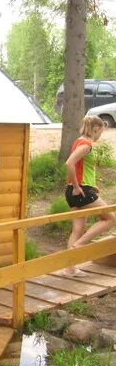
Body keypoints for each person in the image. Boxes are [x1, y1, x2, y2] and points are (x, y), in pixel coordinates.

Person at [62, 115, 116, 276]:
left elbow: (80, 168)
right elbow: (69, 163)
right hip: (80, 191)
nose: (100, 135)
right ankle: (79, 245)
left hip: (74, 190)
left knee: (77, 229)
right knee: (111, 218)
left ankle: (70, 269)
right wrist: (79, 187)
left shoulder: (79, 141)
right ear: (96, 129)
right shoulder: (86, 144)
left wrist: (90, 185)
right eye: (101, 132)